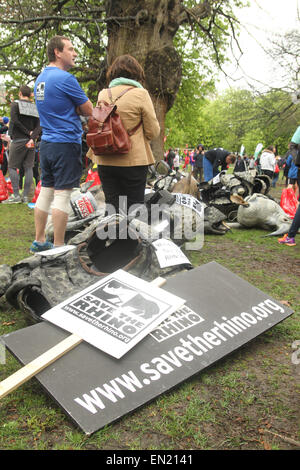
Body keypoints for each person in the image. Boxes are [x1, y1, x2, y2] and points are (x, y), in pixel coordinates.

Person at [31, 35, 93, 253]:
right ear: (57, 52)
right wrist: (77, 109)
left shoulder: (40, 79)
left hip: (46, 143)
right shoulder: (67, 79)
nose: (75, 53)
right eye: (71, 49)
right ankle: (58, 246)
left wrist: (71, 108)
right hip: (66, 143)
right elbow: (89, 110)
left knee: (46, 192)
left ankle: (39, 241)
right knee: (63, 194)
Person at [90, 54, 160, 216]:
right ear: (136, 74)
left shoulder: (103, 94)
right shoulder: (141, 94)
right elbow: (153, 131)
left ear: (113, 73)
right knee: (133, 208)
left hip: (105, 158)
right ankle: (128, 240)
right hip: (133, 160)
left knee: (113, 207)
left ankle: (113, 239)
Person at [2, 86, 41, 204]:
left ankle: (16, 196)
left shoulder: (15, 104)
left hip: (18, 140)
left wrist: (26, 133)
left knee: (12, 167)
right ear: (30, 95)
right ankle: (25, 197)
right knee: (28, 168)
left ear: (20, 93)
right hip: (31, 142)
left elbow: (14, 120)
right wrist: (32, 137)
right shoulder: (35, 106)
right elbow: (40, 125)